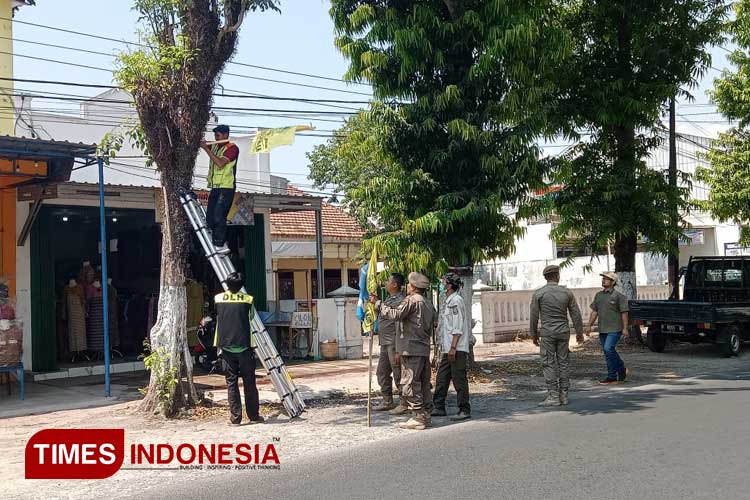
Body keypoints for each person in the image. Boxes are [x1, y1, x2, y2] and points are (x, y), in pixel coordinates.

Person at [371, 272, 435, 430]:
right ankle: (425, 414)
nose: (407, 287)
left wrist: (379, 304)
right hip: (422, 347)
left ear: (413, 287)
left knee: (410, 382)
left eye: (409, 284)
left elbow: (396, 314)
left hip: (410, 348)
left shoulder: (412, 300)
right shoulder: (427, 303)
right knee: (423, 383)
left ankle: (419, 416)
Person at [529, 265, 584, 406]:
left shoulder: (539, 294)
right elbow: (576, 314)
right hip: (564, 332)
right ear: (558, 276)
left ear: (545, 277)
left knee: (548, 362)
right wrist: (579, 333)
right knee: (563, 363)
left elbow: (534, 317)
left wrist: (534, 335)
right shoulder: (566, 293)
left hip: (548, 333)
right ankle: (564, 394)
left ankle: (553, 395)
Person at [214, 272, 264, 425]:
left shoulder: (218, 298)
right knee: (249, 382)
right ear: (241, 285)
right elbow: (252, 317)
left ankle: (235, 419)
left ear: (227, 284)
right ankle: (254, 416)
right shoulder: (248, 300)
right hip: (245, 347)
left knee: (231, 383)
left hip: (226, 347)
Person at [432, 272, 471, 421]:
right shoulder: (449, 301)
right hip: (448, 348)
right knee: (442, 379)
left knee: (459, 379)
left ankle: (464, 409)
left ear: (448, 285)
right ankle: (439, 407)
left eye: (443, 282)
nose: (442, 284)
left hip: (457, 348)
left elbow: (457, 327)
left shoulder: (456, 301)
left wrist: (453, 348)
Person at [200, 124, 239, 255]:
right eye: (215, 135)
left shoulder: (232, 148)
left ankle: (220, 244)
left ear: (226, 135)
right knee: (210, 217)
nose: (216, 138)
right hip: (215, 187)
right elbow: (204, 144)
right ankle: (217, 241)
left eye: (218, 135)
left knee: (218, 215)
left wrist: (206, 149)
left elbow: (220, 163)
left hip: (226, 187)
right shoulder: (216, 146)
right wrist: (203, 144)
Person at [587, 271, 629, 385]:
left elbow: (624, 313)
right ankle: (614, 374)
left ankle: (618, 371)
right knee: (607, 353)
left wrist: (625, 328)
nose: (603, 280)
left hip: (615, 328)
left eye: (606, 279)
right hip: (602, 328)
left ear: (613, 282)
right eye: (603, 278)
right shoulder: (599, 295)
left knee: (608, 349)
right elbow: (595, 311)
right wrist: (589, 325)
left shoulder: (619, 296)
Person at [373, 273, 406, 412]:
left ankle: (404, 402)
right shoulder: (388, 299)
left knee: (398, 373)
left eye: (388, 280)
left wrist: (399, 348)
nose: (386, 282)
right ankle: (387, 400)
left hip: (394, 342)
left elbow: (397, 321)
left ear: (395, 284)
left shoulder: (401, 300)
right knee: (382, 372)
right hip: (384, 342)